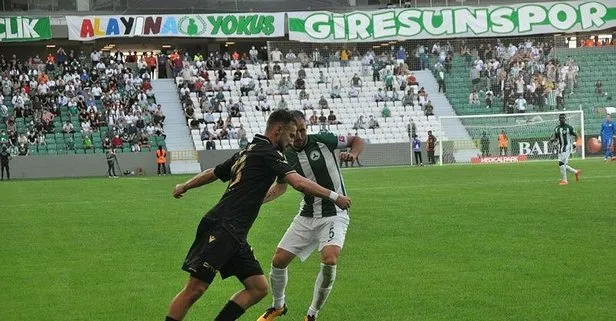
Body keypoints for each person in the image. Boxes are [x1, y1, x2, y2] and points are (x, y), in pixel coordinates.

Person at [165, 110, 351, 321]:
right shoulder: (268, 152)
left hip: (235, 233)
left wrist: (185, 185)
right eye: (290, 135)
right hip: (222, 226)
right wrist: (335, 196)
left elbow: (214, 172)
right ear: (278, 130)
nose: (292, 141)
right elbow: (297, 182)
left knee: (258, 288)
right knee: (195, 289)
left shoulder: (249, 150)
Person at [257, 111, 364, 321]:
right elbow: (280, 187)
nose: (299, 136)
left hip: (335, 214)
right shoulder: (284, 155)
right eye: (296, 132)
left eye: (304, 130)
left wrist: (353, 154)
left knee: (330, 259)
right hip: (306, 215)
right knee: (278, 260)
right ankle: (278, 306)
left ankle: (312, 314)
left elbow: (356, 140)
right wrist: (257, 200)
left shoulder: (323, 140)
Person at [551, 113, 581, 185]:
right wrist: (552, 139)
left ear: (565, 119)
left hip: (567, 147)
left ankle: (565, 180)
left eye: (563, 118)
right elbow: (555, 137)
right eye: (561, 118)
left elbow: (576, 135)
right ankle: (575, 172)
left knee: (561, 163)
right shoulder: (557, 128)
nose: (562, 119)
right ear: (559, 119)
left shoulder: (569, 128)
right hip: (561, 147)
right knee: (562, 164)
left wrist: (574, 144)